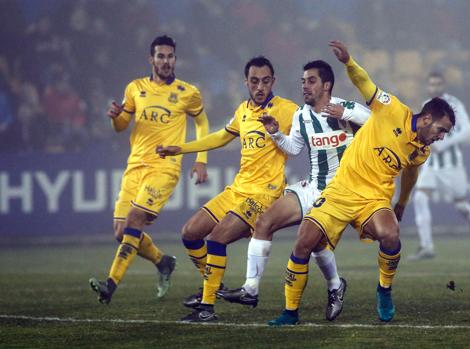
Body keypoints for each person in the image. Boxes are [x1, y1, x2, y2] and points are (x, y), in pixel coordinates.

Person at [268, 41, 455, 326]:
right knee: (303, 242)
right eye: (441, 130)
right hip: (340, 190)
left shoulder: (421, 149)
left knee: (391, 235)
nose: (441, 136)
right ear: (427, 118)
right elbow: (365, 83)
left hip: (374, 200)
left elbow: (411, 173)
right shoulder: (392, 110)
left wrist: (402, 203)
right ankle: (290, 312)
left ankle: (384, 290)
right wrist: (349, 62)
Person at [216, 60, 370, 321]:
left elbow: (375, 122)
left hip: (339, 194)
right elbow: (294, 148)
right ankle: (250, 289)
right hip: (312, 186)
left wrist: (344, 114)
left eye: (311, 81)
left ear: (326, 85)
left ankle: (334, 286)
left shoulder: (346, 107)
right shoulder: (302, 115)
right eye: (303, 81)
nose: (305, 86)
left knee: (313, 242)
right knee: (264, 222)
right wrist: (276, 134)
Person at [156, 56, 298, 322]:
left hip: (264, 195)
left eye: (265, 81)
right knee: (190, 233)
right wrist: (182, 148)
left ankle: (207, 307)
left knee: (217, 239)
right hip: (237, 189)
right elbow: (222, 136)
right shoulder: (243, 110)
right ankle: (214, 285)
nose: (260, 87)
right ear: (246, 82)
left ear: (273, 82)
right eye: (254, 81)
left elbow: (311, 128)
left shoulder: (287, 109)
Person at [89, 35, 210, 304]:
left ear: (175, 59)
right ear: (151, 59)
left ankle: (110, 283)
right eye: (161, 56)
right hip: (135, 166)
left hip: (164, 168)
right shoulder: (135, 88)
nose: (166, 61)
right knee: (120, 232)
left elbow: (202, 123)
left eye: (170, 56)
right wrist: (116, 117)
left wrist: (200, 158)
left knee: (134, 219)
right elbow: (122, 126)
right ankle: (162, 261)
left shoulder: (187, 92)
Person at [408, 72, 470, 262]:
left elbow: (468, 130)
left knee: (462, 206)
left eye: (438, 84)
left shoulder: (454, 104)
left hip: (452, 165)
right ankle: (427, 247)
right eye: (431, 84)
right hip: (431, 165)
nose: (434, 87)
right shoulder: (426, 105)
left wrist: (443, 144)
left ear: (443, 85)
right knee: (419, 198)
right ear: (428, 86)